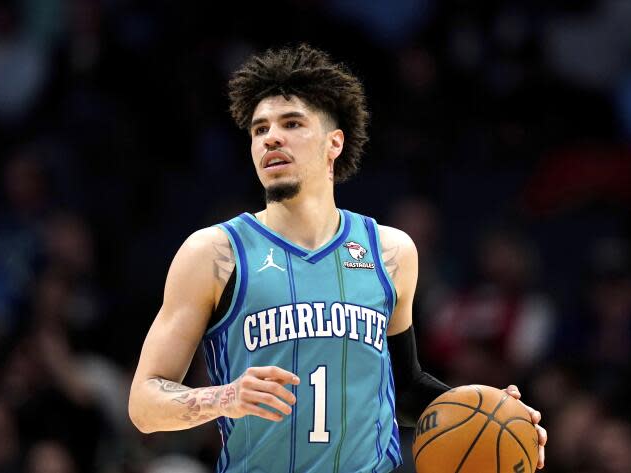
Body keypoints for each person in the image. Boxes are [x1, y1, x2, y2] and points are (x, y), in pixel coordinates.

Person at [128, 44, 547, 472]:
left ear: (334, 143)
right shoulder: (214, 253)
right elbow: (144, 404)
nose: (271, 137)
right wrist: (223, 397)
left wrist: (492, 416)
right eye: (259, 129)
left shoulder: (391, 252)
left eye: (292, 123)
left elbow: (401, 388)